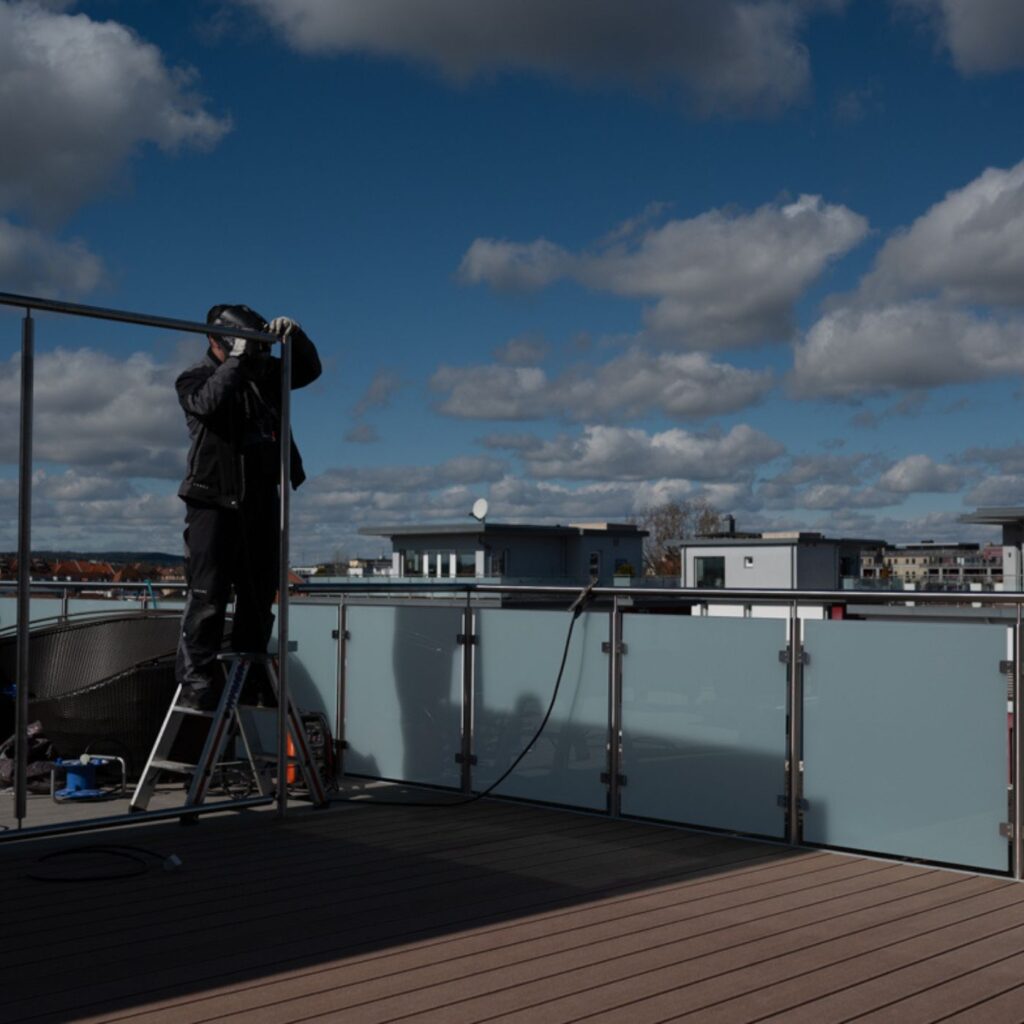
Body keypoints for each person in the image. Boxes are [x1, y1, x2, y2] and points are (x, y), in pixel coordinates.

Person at [174, 304, 322, 710]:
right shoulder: (194, 378)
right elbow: (208, 404)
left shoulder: (264, 376)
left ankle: (250, 673)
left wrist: (296, 337)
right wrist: (238, 360)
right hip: (213, 499)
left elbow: (309, 371)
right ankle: (197, 682)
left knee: (258, 592)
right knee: (208, 594)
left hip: (258, 499)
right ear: (214, 341)